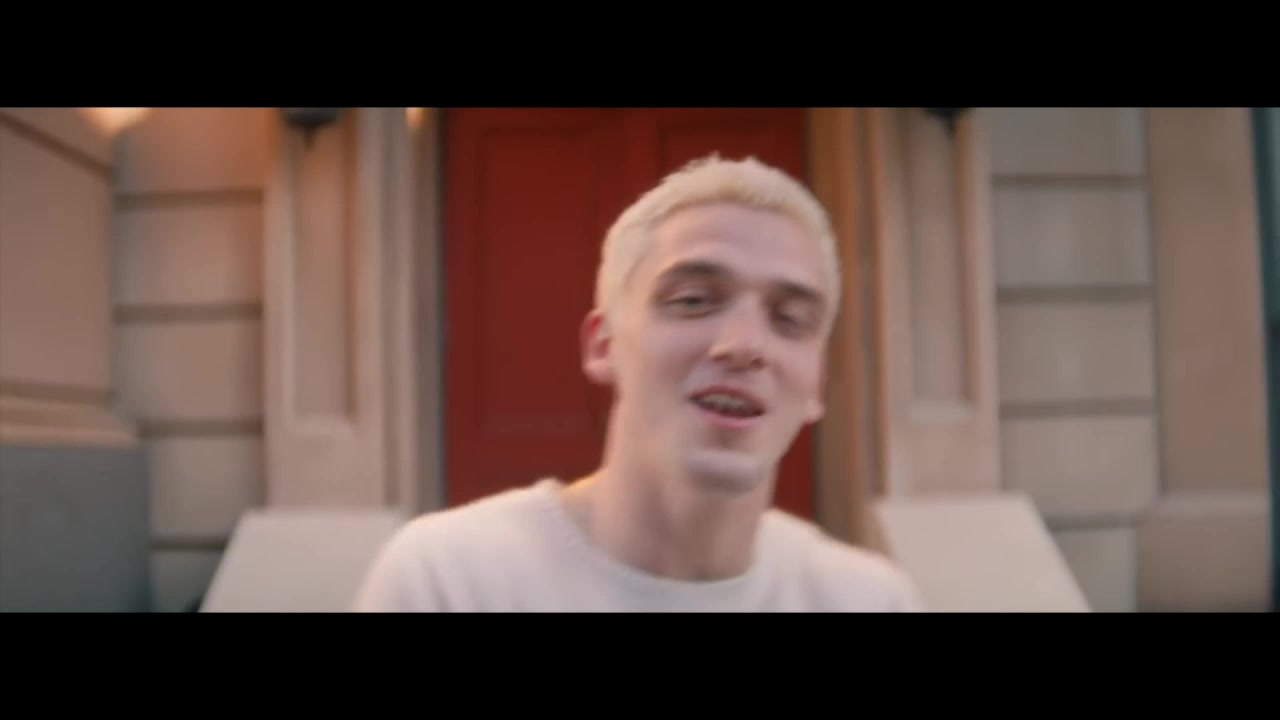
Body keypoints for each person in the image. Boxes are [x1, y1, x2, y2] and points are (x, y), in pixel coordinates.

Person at [354, 154, 925, 612]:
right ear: (603, 345)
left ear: (818, 383)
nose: (745, 345)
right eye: (694, 300)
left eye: (790, 318)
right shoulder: (449, 580)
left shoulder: (868, 600)